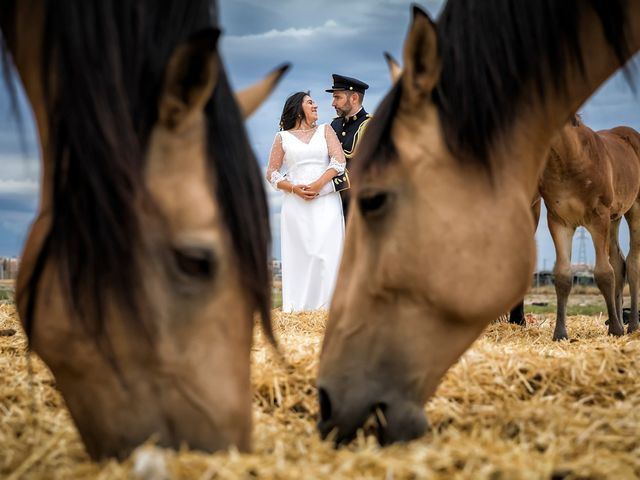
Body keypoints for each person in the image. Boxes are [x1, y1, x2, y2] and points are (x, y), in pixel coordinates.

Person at [266, 91, 346, 312]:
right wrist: (293, 189)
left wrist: (319, 184)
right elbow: (272, 172)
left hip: (326, 201)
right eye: (310, 102)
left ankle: (329, 308)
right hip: (296, 204)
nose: (316, 106)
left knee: (326, 254)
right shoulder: (281, 137)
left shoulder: (325, 130)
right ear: (297, 107)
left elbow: (339, 162)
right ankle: (299, 308)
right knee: (302, 256)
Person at [325, 74, 372, 219]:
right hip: (333, 203)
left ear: (354, 98)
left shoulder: (370, 126)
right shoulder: (335, 125)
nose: (333, 103)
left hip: (358, 204)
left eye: (337, 97)